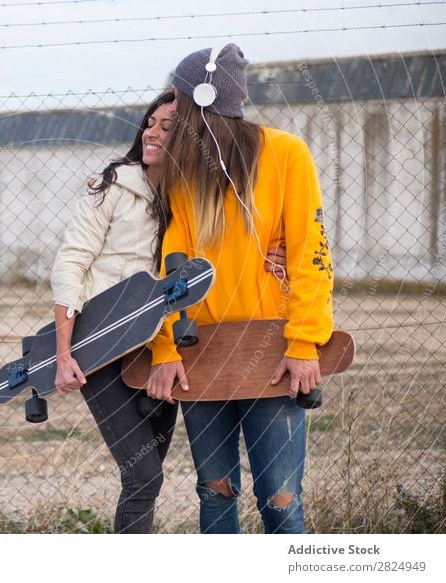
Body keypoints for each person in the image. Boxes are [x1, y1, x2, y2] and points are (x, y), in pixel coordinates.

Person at [50, 90, 287, 533]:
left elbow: (227, 246)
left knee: (146, 477)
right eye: (150, 122)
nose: (152, 132)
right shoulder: (114, 187)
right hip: (99, 347)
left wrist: (278, 253)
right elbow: (71, 264)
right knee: (144, 475)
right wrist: (64, 354)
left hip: (159, 351)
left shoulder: (192, 195)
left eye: (167, 126)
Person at [146, 43, 335, 534]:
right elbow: (174, 269)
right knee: (215, 497)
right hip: (201, 356)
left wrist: (303, 342)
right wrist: (166, 348)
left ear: (201, 102)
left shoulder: (286, 153)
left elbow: (312, 255)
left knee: (280, 501)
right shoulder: (185, 172)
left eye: (180, 100)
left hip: (272, 352)